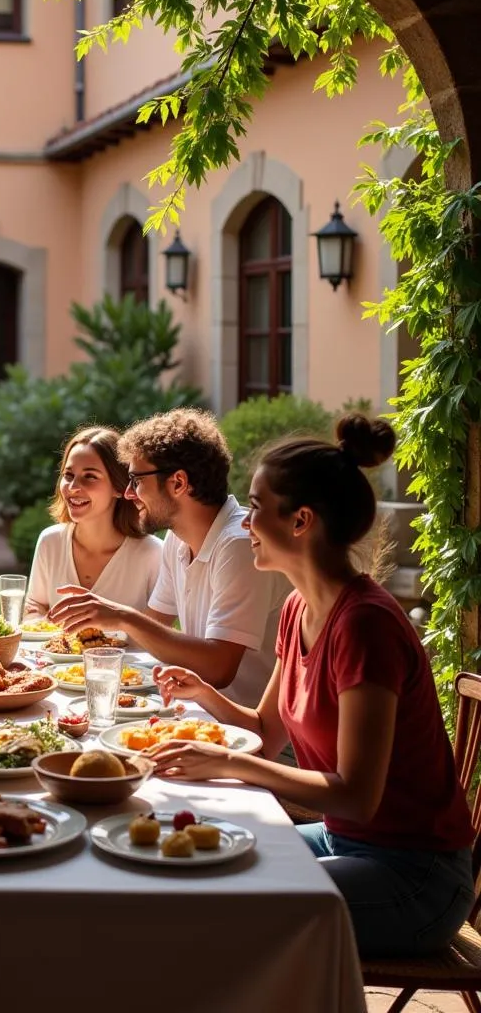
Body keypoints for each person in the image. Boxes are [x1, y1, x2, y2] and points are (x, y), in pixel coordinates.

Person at [149, 414, 474, 958]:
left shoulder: (365, 625)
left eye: (255, 507)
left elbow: (356, 794)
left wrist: (229, 764)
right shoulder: (300, 607)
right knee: (189, 856)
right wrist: (205, 697)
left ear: (301, 521)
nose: (245, 523)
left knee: (221, 909)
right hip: (344, 841)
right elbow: (263, 730)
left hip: (415, 877)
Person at [49, 408, 290, 708]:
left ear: (178, 483)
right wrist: (85, 642)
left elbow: (219, 669)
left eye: (136, 480)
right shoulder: (177, 539)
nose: (128, 493)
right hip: (199, 714)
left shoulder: (238, 546)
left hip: (253, 733)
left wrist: (123, 616)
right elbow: (151, 630)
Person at [25, 426, 162, 622]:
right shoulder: (50, 541)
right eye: (69, 475)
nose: (73, 488)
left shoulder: (152, 553)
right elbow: (35, 607)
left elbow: (159, 634)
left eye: (90, 476)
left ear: (118, 486)